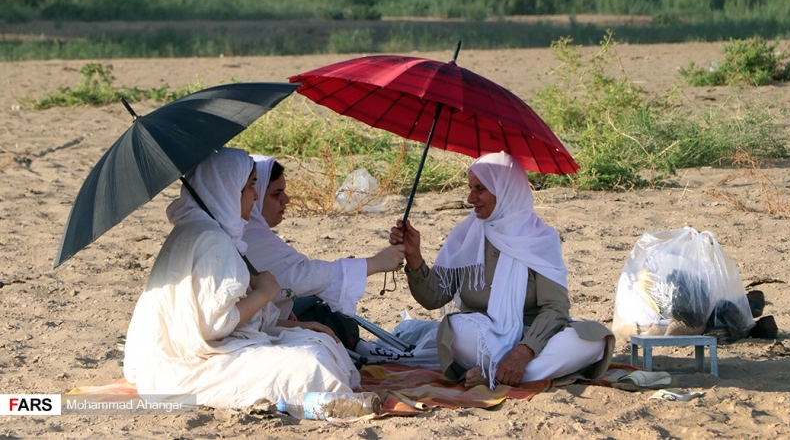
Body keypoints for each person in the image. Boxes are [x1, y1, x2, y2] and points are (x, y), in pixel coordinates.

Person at [123, 148, 360, 409]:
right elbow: (215, 326)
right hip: (186, 367)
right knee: (311, 363)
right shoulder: (212, 241)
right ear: (229, 190)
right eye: (250, 187)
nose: (255, 195)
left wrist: (294, 326)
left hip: (188, 355)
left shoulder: (205, 232)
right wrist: (264, 293)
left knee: (320, 340)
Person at [390, 151, 615, 389]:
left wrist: (522, 352)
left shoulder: (540, 239)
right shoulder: (465, 235)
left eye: (480, 188)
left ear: (506, 190)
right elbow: (434, 298)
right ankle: (511, 373)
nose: (470, 198)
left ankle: (495, 375)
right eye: (470, 188)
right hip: (484, 339)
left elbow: (555, 309)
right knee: (457, 329)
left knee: (593, 340)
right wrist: (414, 256)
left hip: (533, 340)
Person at [242, 155, 405, 349]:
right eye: (276, 193)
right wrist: (376, 263)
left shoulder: (246, 232)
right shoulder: (243, 237)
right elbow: (299, 275)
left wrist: (280, 318)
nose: (286, 200)